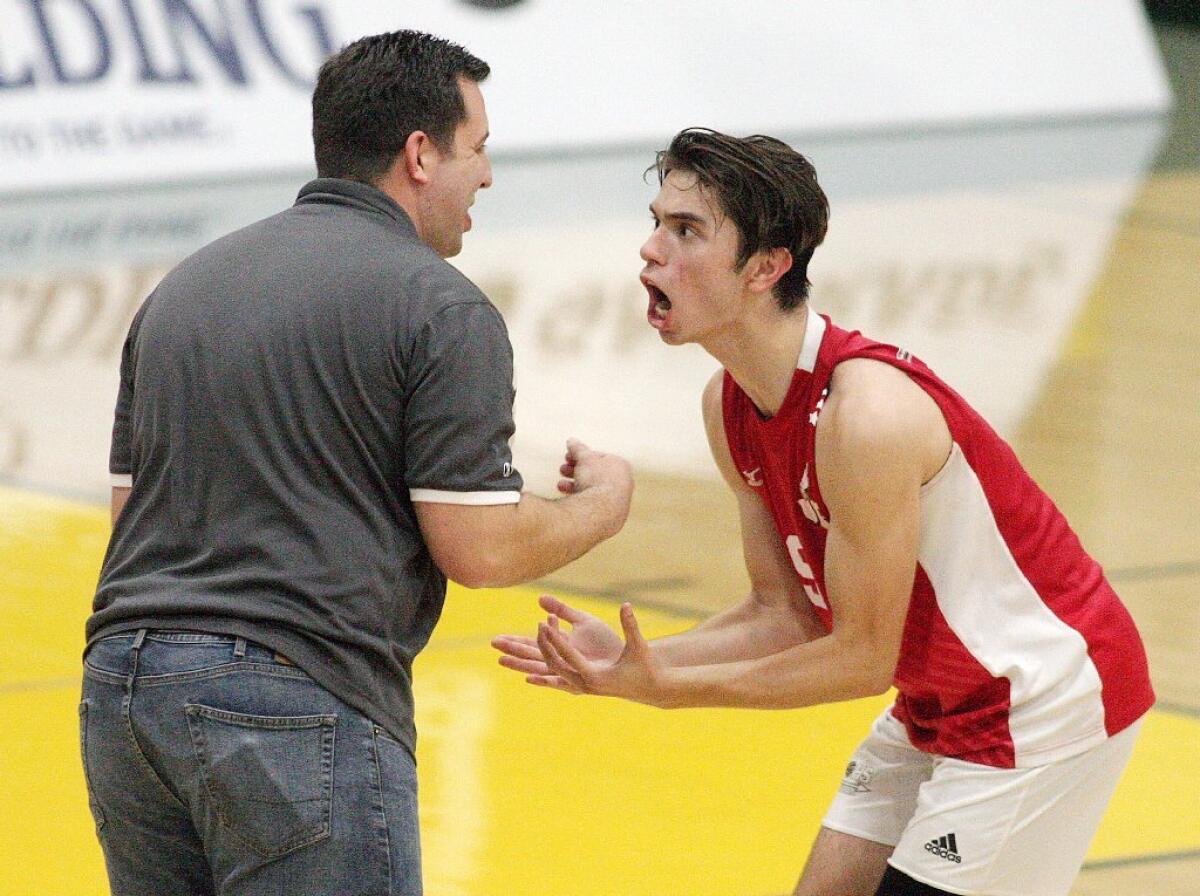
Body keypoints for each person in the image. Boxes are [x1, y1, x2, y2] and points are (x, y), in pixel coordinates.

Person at [493, 128, 1154, 896]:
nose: (650, 250)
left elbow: (859, 658)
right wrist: (640, 664)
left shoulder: (864, 416)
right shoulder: (730, 403)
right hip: (939, 699)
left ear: (767, 268)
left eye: (685, 231)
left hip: (1042, 698)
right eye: (656, 222)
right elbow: (787, 612)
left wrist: (671, 690)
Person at [80, 30, 632, 896]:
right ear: (421, 154)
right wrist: (603, 506)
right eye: (478, 150)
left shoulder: (180, 289)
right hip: (292, 700)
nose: (486, 176)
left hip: (121, 697)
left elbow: (129, 522)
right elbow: (478, 548)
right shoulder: (439, 306)